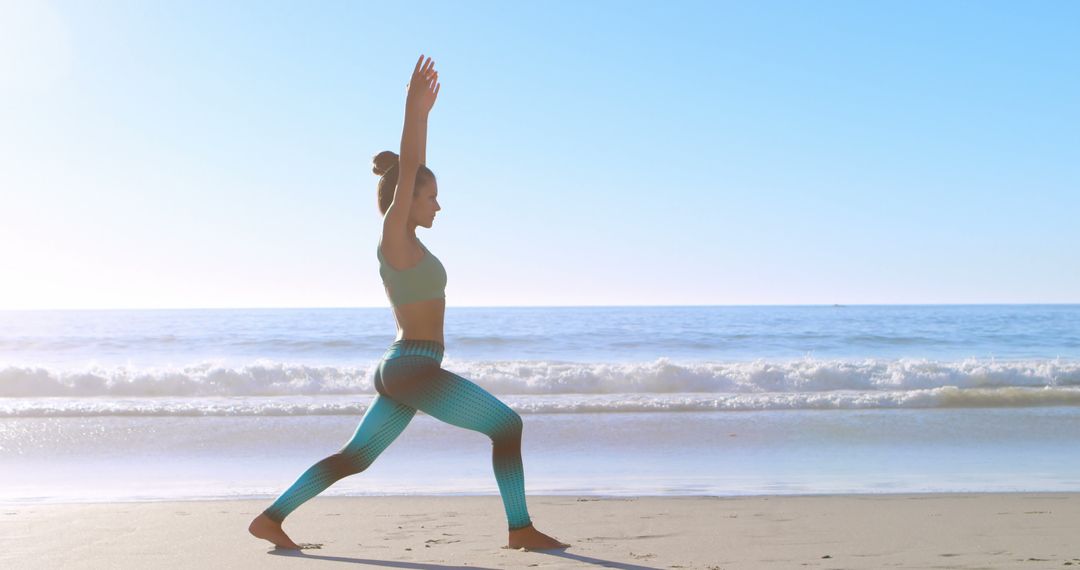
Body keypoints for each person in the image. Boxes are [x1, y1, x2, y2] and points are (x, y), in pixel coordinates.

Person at [249, 54, 570, 552]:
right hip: (413, 367)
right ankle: (521, 529)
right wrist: (416, 111)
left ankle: (271, 518)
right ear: (405, 199)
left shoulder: (413, 246)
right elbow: (412, 161)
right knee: (508, 426)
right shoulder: (394, 237)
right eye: (429, 197)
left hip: (404, 367)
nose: (437, 205)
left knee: (356, 457)